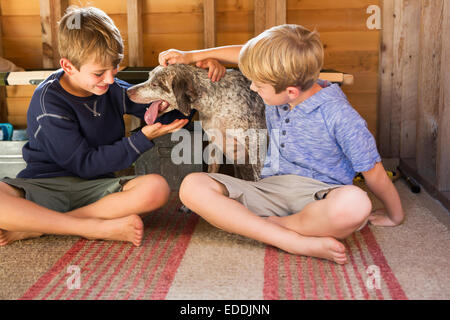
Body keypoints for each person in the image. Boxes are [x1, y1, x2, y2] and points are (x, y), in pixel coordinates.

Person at [158, 24, 405, 264]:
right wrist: (193, 56)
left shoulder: (341, 116)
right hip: (270, 190)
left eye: (259, 85)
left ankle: (277, 229)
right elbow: (247, 53)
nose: (252, 87)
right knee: (192, 186)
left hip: (320, 198)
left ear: (291, 92)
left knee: (357, 204)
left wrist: (395, 215)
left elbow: (375, 173)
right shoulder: (287, 82)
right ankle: (291, 240)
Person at [0, 6, 190, 246]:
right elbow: (84, 164)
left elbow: (175, 117)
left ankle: (39, 227)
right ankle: (88, 226)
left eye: (115, 67)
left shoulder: (110, 87)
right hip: (44, 186)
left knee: (157, 188)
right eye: (99, 72)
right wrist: (141, 138)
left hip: (97, 190)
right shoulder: (48, 101)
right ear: (68, 66)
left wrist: (170, 103)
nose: (110, 79)